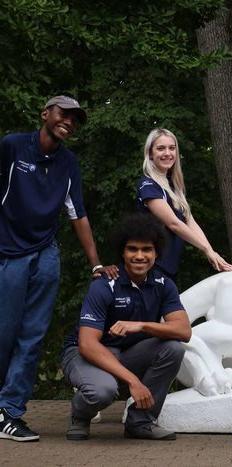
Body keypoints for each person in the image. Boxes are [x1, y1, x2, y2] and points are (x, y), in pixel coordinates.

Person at [0, 96, 117, 442]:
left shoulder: (68, 163)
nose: (68, 121)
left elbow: (77, 214)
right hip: (8, 251)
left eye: (74, 118)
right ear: (45, 113)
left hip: (45, 253)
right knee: (4, 331)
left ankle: (10, 411)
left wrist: (95, 263)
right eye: (62, 113)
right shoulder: (12, 146)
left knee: (33, 336)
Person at [61, 213, 191, 441]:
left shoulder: (163, 284)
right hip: (86, 354)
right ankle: (80, 415)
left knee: (174, 348)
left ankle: (140, 422)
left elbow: (183, 331)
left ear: (156, 253)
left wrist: (140, 326)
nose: (139, 256)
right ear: (122, 252)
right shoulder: (104, 285)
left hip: (126, 353)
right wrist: (134, 381)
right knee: (103, 392)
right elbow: (87, 344)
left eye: (146, 250)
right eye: (132, 249)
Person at [137, 128, 232, 280]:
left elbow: (189, 220)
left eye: (172, 148)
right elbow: (174, 224)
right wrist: (206, 250)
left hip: (169, 266)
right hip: (151, 267)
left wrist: (211, 253)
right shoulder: (148, 185)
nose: (167, 153)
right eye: (161, 148)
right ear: (150, 153)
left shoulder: (173, 186)